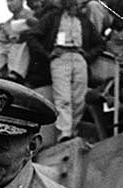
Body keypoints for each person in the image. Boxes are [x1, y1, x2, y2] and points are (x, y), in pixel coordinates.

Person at [27, 0, 103, 142]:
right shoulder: (53, 17)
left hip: (79, 59)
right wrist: (47, 54)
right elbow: (32, 36)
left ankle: (72, 131)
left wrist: (87, 55)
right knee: (63, 97)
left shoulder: (83, 20)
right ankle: (64, 133)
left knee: (79, 98)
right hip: (60, 57)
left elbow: (99, 44)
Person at [0, 0, 35, 83]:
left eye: (12, 0)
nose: (9, 4)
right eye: (8, 1)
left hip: (30, 50)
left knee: (20, 45)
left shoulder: (32, 15)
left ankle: (16, 74)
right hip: (11, 54)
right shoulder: (7, 24)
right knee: (2, 48)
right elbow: (2, 43)